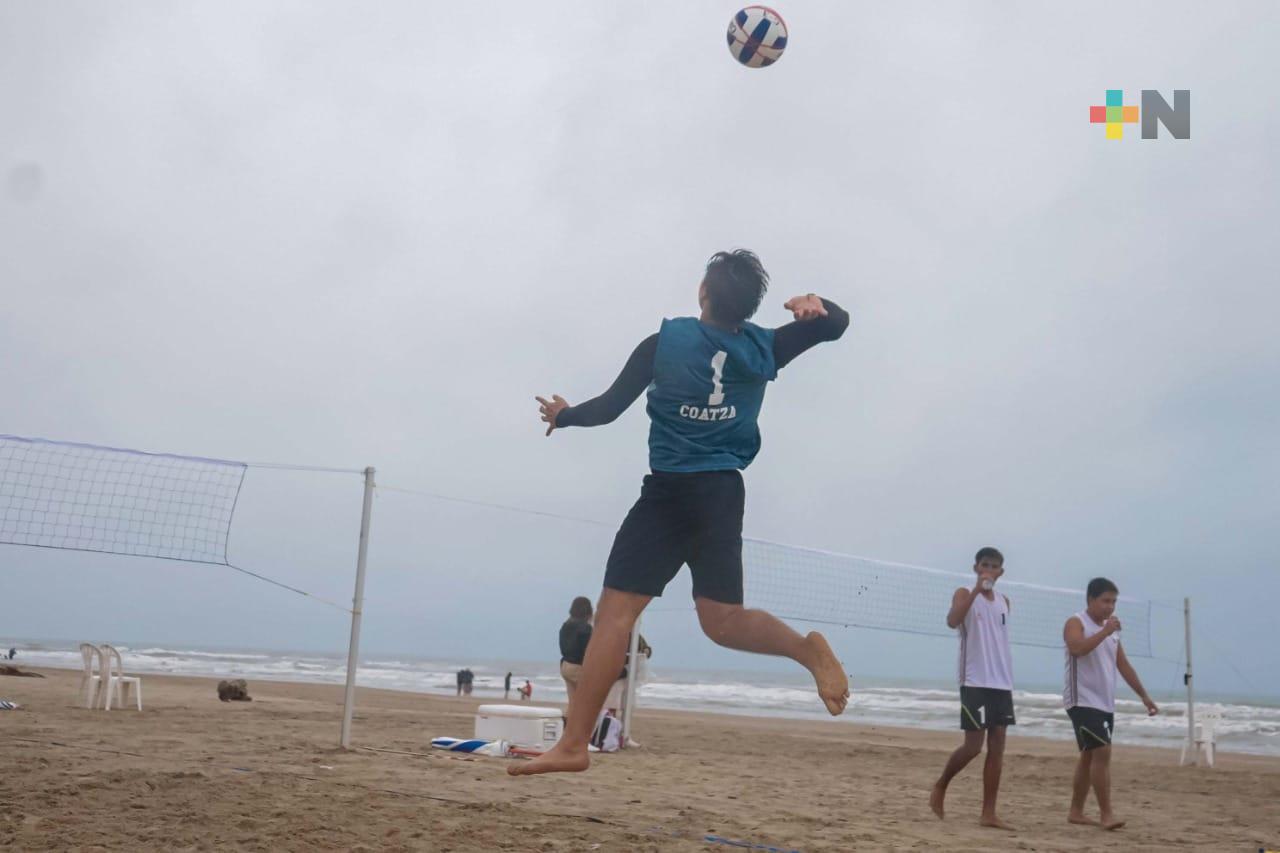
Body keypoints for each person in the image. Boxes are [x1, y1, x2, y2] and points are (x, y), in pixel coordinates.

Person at [512, 249, 850, 777]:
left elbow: (606, 409)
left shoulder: (662, 344)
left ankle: (576, 743)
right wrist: (815, 304)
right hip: (720, 494)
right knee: (723, 621)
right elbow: (838, 325)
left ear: (703, 294)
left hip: (667, 496)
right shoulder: (768, 346)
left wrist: (564, 415)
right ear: (749, 308)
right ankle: (806, 650)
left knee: (615, 616)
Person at [930, 547, 1016, 829]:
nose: (989, 570)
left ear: (1001, 572)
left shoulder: (1005, 601)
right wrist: (978, 591)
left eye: (994, 566)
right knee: (973, 747)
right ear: (976, 568)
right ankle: (941, 784)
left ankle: (988, 813)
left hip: (1001, 682)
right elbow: (952, 620)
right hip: (974, 680)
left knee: (998, 747)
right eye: (985, 565)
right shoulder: (965, 593)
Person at [1063, 577, 1159, 831]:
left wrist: (1144, 696)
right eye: (1105, 600)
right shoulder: (1076, 622)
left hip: (1104, 702)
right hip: (1082, 700)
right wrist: (1105, 632)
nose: (1110, 606)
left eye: (1114, 601)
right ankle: (1107, 815)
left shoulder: (1112, 632)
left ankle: (1076, 811)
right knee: (1103, 751)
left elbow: (1123, 665)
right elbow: (1076, 649)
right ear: (1091, 599)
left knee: (1088, 756)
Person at [559, 596, 594, 704]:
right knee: (584, 702)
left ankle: (569, 719)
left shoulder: (565, 625)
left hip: (566, 664)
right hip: (578, 666)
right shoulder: (586, 629)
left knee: (573, 700)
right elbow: (588, 651)